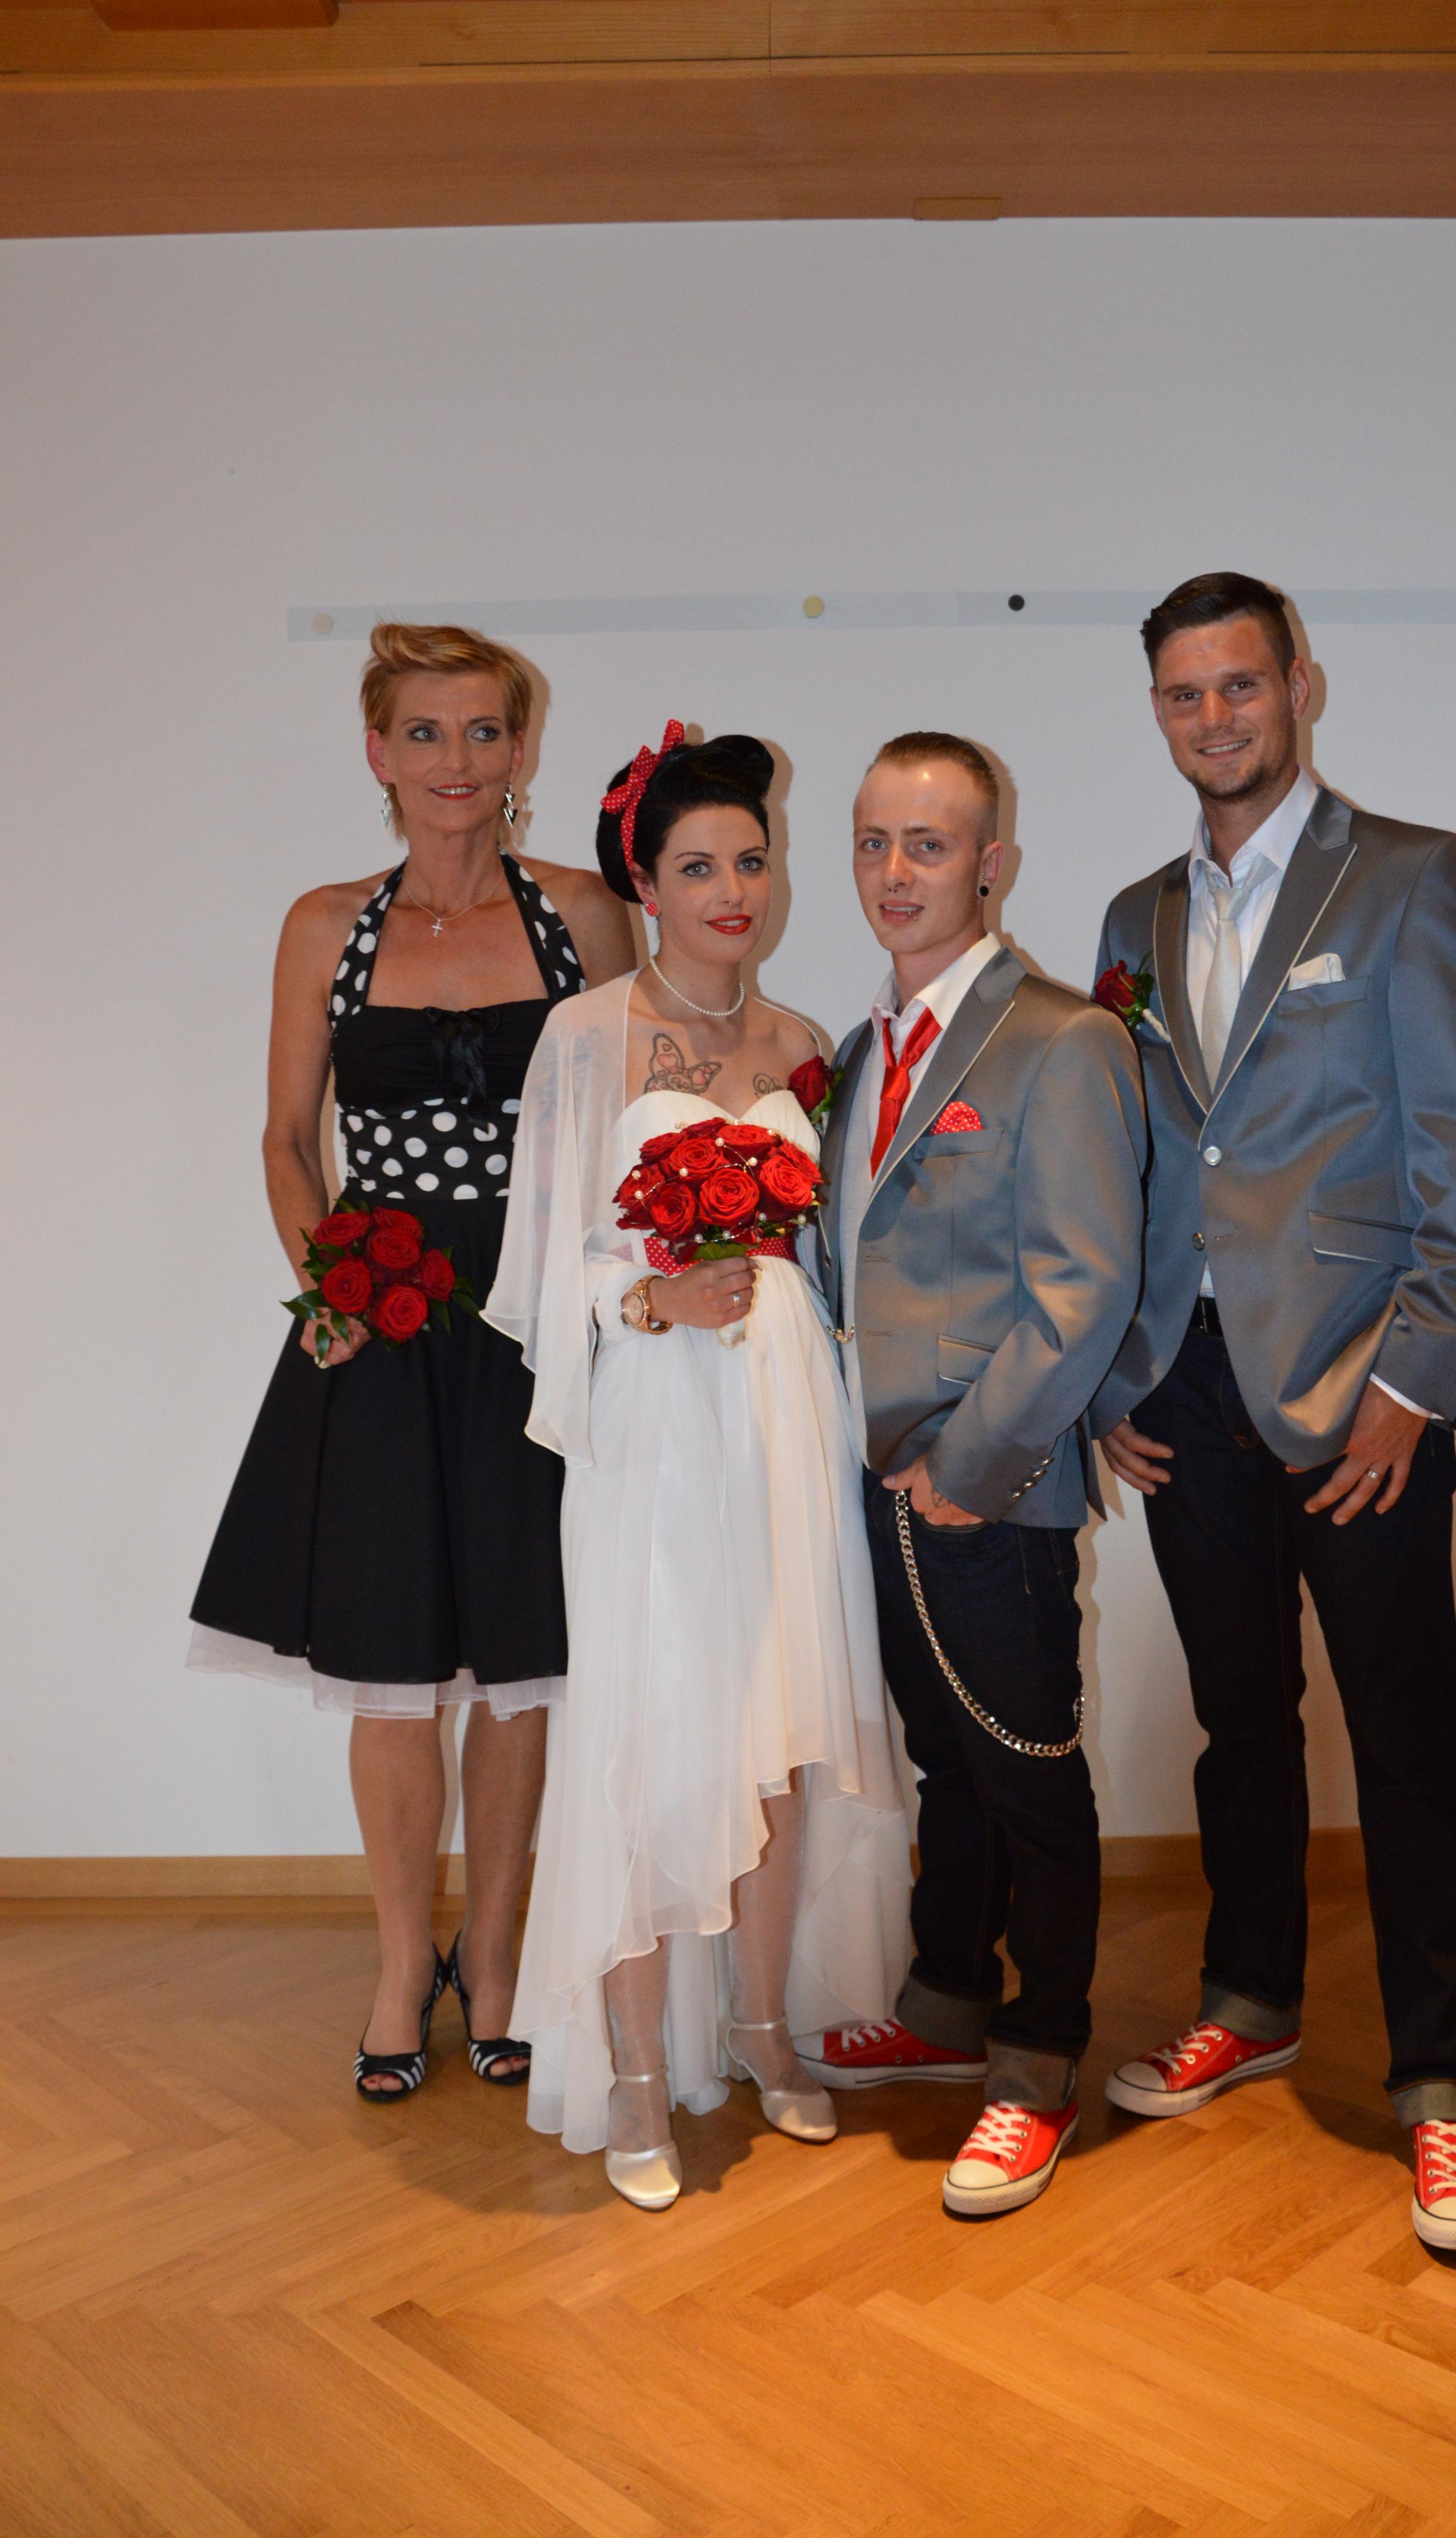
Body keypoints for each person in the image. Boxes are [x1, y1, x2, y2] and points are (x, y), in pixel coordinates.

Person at [1092, 572, 1456, 2254]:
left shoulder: (1415, 875)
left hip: (1362, 1391)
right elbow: (1132, 1156)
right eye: (1183, 692)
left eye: (1240, 684)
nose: (1214, 716)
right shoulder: (1132, 916)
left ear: (1300, 686)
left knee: (1409, 1744)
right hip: (1183, 1390)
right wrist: (1117, 1371)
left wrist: (1416, 1382)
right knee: (1239, 1722)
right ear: (1159, 710)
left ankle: (1446, 2083)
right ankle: (1251, 1996)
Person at [190, 621, 639, 2101]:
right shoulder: (325, 923)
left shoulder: (587, 913)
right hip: (379, 1317)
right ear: (379, 752)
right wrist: (325, 1274)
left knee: (517, 1663)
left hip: (536, 1322)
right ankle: (401, 1964)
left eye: (485, 730)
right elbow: (285, 1136)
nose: (459, 760)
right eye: (427, 732)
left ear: (522, 747)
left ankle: (494, 1959)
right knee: (391, 1664)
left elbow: (631, 1124)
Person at [486, 724, 910, 2213]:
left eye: (751, 859)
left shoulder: (804, 1043)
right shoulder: (585, 1035)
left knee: (780, 1727)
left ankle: (762, 2024)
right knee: (656, 1725)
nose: (733, 889)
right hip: (654, 1424)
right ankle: (635, 2069)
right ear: (645, 884)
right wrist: (653, 1297)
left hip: (783, 1414)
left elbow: (841, 1260)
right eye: (698, 866)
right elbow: (544, 1276)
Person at [802, 732, 1147, 2218]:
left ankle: (1039, 2054)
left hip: (986, 1488)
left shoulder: (1061, 1039)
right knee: (946, 1758)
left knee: (1029, 1769)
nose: (896, 871)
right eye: (874, 841)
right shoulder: (860, 1053)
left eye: (929, 844)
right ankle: (947, 1999)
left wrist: (974, 1461)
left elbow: (1085, 1283)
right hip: (867, 1481)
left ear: (992, 863)